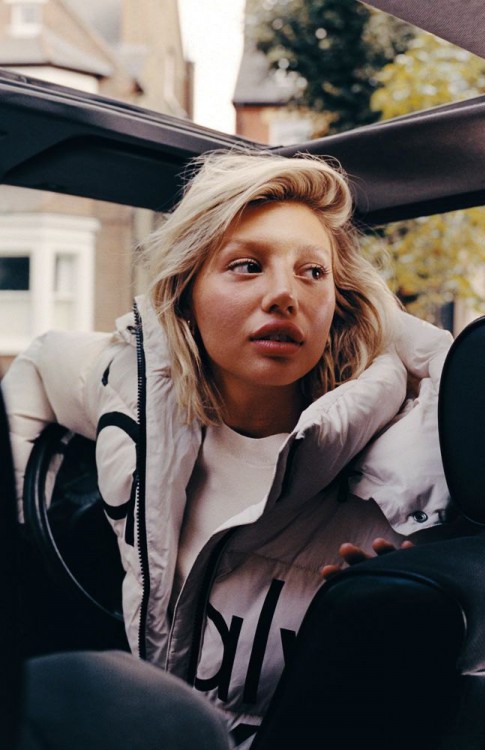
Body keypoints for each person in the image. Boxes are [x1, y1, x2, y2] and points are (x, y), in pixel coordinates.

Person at [3, 150, 452, 748]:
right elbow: (38, 365)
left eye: (313, 272)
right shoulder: (132, 389)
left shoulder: (407, 472)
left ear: (339, 299)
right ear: (186, 291)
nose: (285, 295)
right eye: (247, 266)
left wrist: (371, 618)